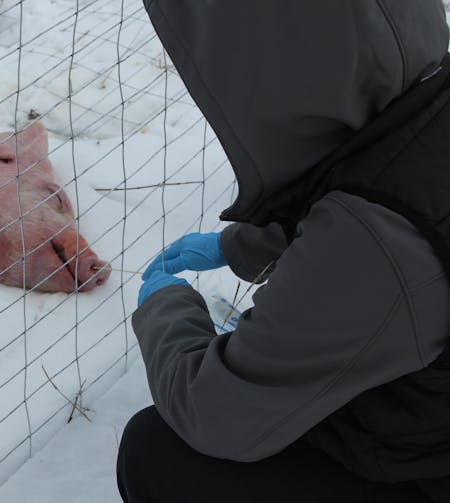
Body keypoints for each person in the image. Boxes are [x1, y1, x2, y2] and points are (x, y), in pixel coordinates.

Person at [117, 1, 450, 502]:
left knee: (157, 451)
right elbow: (395, 183)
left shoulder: (376, 241)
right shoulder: (433, 105)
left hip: (423, 468)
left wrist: (166, 307)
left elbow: (218, 414)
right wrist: (244, 245)